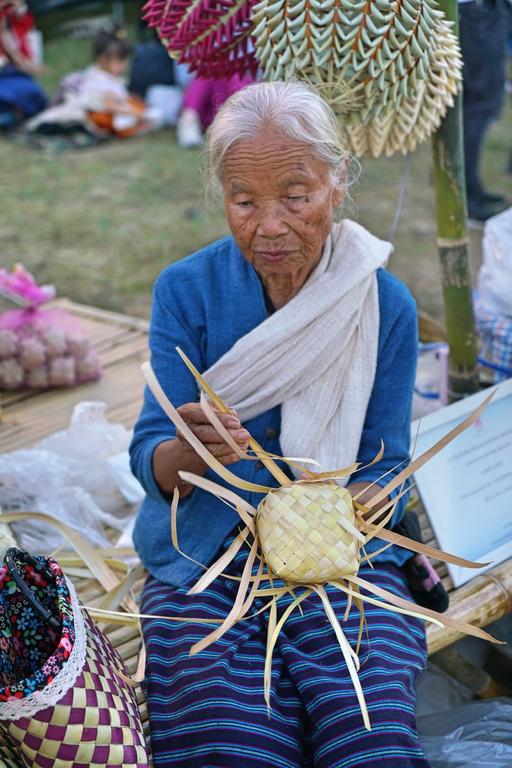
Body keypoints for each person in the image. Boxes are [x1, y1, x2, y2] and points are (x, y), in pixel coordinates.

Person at [130, 81, 429, 767]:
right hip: (208, 559)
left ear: (337, 180)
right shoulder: (188, 291)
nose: (269, 225)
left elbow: (389, 464)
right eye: (244, 201)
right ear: (223, 196)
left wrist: (347, 510)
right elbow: (149, 460)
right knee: (231, 744)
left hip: (342, 560)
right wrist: (191, 451)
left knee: (370, 740)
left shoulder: (381, 303)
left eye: (296, 195)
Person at [458, 0, 511, 223]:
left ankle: (467, 185)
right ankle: (466, 195)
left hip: (476, 12)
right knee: (479, 104)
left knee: (472, 102)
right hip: (476, 11)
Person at [78, 26, 162, 138]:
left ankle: (138, 122)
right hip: (102, 114)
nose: (125, 65)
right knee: (125, 119)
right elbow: (112, 106)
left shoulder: (110, 76)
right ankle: (136, 126)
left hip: (115, 109)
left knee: (139, 105)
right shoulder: (98, 80)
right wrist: (139, 114)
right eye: (121, 61)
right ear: (103, 60)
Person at [0, 0, 46, 129]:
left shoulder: (11, 12)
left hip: (9, 70)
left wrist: (25, 63)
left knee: (32, 95)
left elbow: (5, 34)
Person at [177, 71, 254, 148]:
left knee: (231, 73)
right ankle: (190, 118)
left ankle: (189, 117)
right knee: (211, 70)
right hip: (212, 111)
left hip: (233, 112)